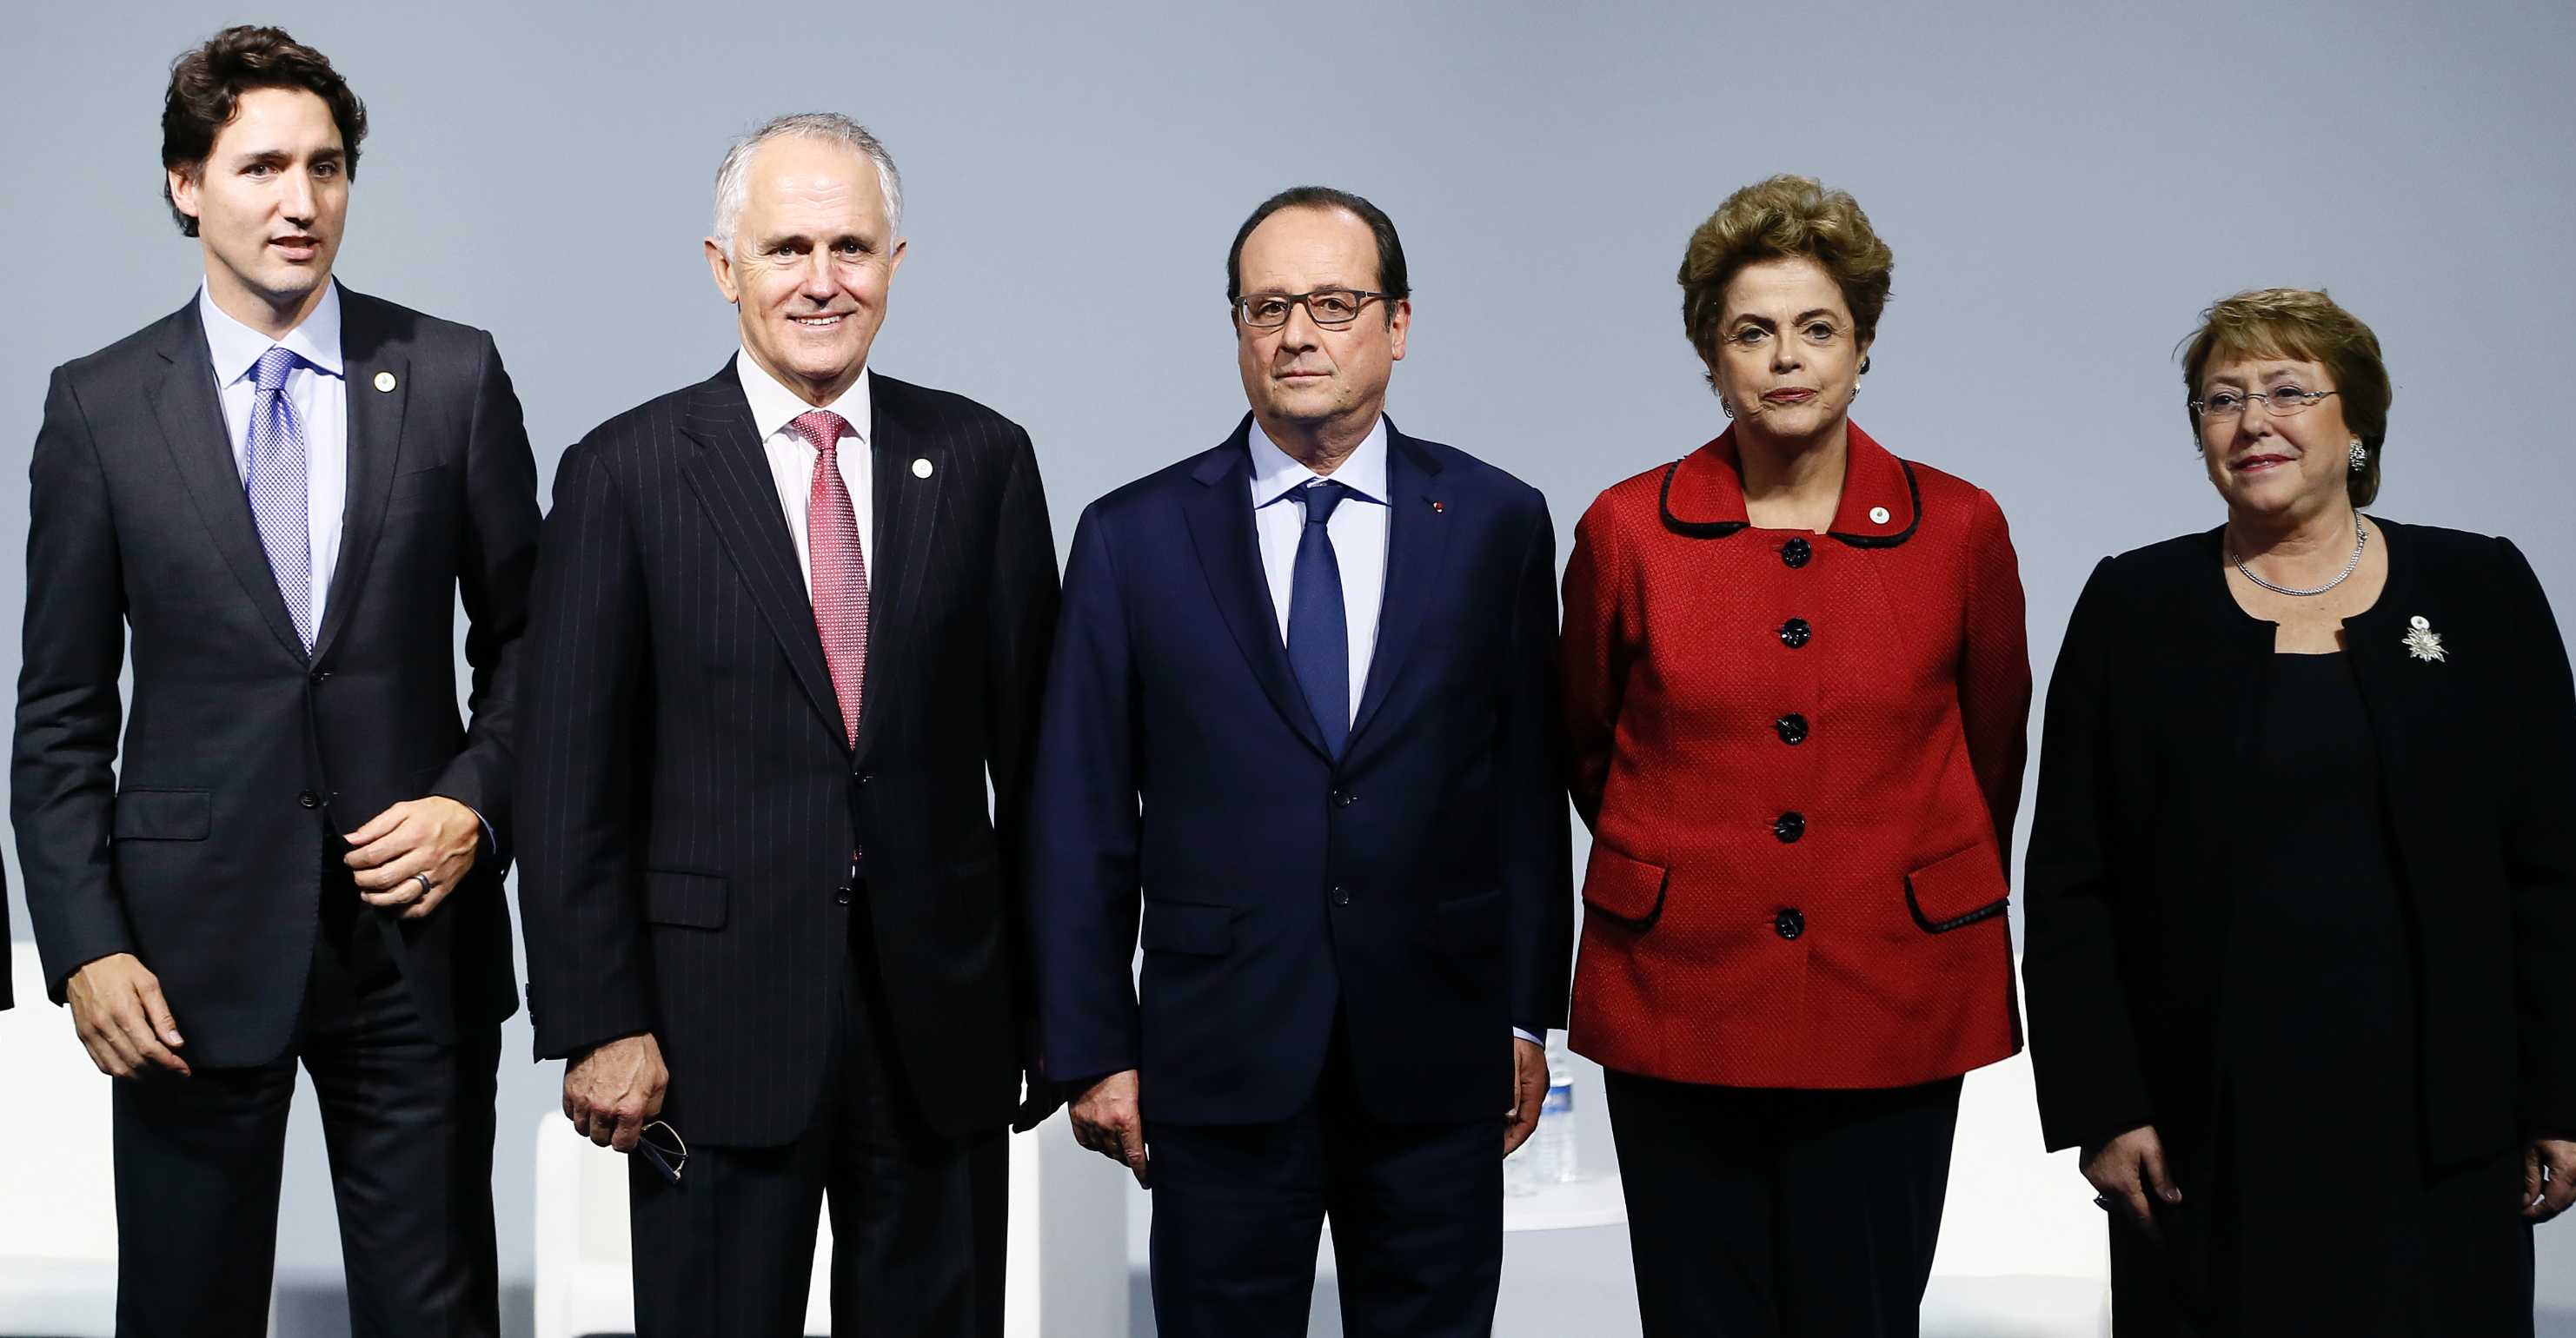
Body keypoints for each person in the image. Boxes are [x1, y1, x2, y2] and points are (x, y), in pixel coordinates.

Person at [10, 26, 538, 1335]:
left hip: (416, 939)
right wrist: (84, 944)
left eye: (327, 166)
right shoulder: (99, 408)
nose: (300, 202)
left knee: (436, 1315)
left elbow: (536, 649)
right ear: (187, 183)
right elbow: (63, 711)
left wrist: (474, 805)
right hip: (182, 955)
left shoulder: (455, 376)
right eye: (259, 168)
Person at [516, 113, 1060, 1336]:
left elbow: (1041, 774)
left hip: (943, 1033)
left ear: (897, 263)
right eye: (788, 249)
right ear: (724, 267)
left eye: (853, 248)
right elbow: (567, 786)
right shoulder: (625, 472)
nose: (824, 281)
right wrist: (600, 1019)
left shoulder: (982, 461)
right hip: (710, 1036)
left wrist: (1057, 1013)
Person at [1027, 185, 1574, 1336]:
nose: (1298, 335)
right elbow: (1079, 816)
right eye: (1268, 307)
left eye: (1333, 303)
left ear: (1400, 323)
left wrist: (1528, 1016)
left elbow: (1524, 788)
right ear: (1237, 330)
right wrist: (1091, 1048)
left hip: (1435, 1049)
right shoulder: (1133, 538)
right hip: (1216, 1056)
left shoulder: (1493, 522)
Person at [2024, 288, 2576, 1336]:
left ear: (2359, 423)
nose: (2254, 422)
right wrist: (2103, 1110)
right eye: (2222, 398)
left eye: (2289, 391)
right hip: (2209, 1132)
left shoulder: (2482, 587)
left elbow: (2555, 867)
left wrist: (2568, 1097)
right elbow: (2073, 880)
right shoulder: (2134, 605)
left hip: (2445, 1119)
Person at [1558, 175, 2030, 1337]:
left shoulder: (1959, 526)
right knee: (1699, 1315)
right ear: (1710, 356)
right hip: (1681, 988)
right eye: (1751, 332)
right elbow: (1586, 745)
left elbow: (1993, 746)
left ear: (1863, 346)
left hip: (1892, 992)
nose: (1786, 359)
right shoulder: (1629, 529)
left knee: (1862, 1314)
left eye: (1817, 329)